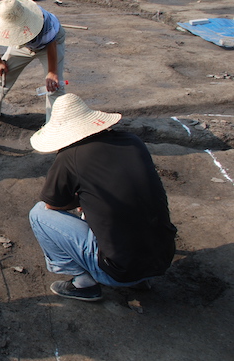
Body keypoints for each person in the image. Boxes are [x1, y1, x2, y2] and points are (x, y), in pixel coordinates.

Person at [28, 94, 177, 301]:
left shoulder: (70, 157)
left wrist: (80, 200)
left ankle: (83, 283)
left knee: (38, 214)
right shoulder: (133, 142)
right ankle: (140, 278)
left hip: (118, 272)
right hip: (163, 258)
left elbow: (53, 205)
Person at [0, 0, 66, 123]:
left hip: (49, 45)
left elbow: (51, 44)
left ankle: (55, 123)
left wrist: (52, 72)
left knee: (54, 84)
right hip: (24, 44)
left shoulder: (42, 20)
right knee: (1, 72)